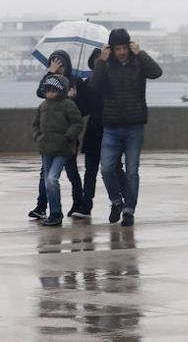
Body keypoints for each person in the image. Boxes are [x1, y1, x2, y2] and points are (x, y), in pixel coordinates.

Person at [91, 28, 162, 227]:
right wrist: (101, 62)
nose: (121, 52)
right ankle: (116, 201)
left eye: (124, 47)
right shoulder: (106, 65)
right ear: (111, 49)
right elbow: (94, 87)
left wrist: (141, 53)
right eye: (117, 48)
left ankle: (129, 210)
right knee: (106, 169)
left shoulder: (138, 62)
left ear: (130, 47)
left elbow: (156, 72)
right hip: (111, 126)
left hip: (134, 126)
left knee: (132, 171)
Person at [26, 50, 84, 221]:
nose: (57, 66)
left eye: (60, 63)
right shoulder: (47, 90)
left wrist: (74, 97)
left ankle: (78, 204)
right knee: (47, 176)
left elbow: (80, 117)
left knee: (72, 173)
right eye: (54, 62)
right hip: (47, 144)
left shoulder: (75, 82)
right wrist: (50, 72)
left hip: (66, 143)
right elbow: (41, 92)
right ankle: (44, 207)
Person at [69, 48, 113, 219]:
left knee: (113, 170)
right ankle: (86, 205)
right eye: (96, 60)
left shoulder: (112, 82)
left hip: (110, 130)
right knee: (90, 171)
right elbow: (83, 109)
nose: (99, 63)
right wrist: (75, 96)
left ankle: (118, 201)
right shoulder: (86, 83)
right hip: (94, 130)